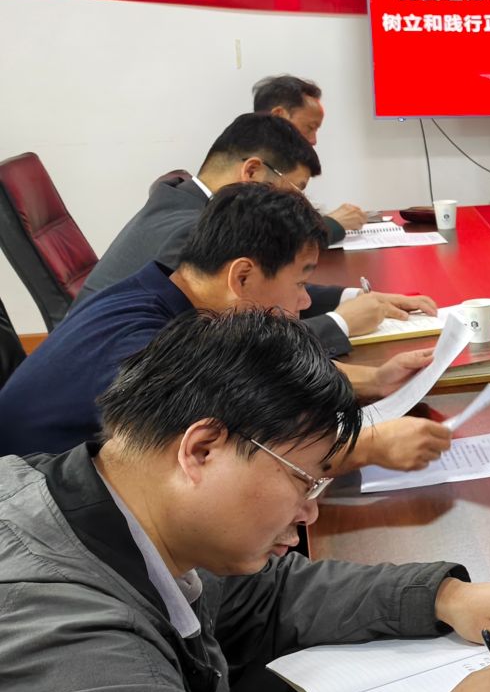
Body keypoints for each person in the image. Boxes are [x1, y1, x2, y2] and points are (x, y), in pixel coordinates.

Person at [0, 309, 490, 692]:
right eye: (303, 480)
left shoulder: (113, 498)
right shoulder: (67, 639)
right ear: (201, 450)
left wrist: (440, 596)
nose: (310, 513)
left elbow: (267, 594)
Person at [0, 184, 452, 473]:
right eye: (299, 283)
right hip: (38, 517)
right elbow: (238, 451)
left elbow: (253, 375)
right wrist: (368, 446)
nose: (304, 301)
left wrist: (373, 381)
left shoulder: (166, 293)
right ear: (242, 277)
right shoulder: (147, 345)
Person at [79, 113, 430, 356]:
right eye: (296, 187)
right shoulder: (190, 230)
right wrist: (339, 324)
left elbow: (263, 290)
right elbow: (219, 352)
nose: (297, 201)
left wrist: (354, 297)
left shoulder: (185, 201)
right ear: (252, 172)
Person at [252, 74, 368, 241]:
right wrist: (332, 224)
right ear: (278, 116)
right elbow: (270, 241)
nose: (313, 141)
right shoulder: (252, 166)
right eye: (310, 127)